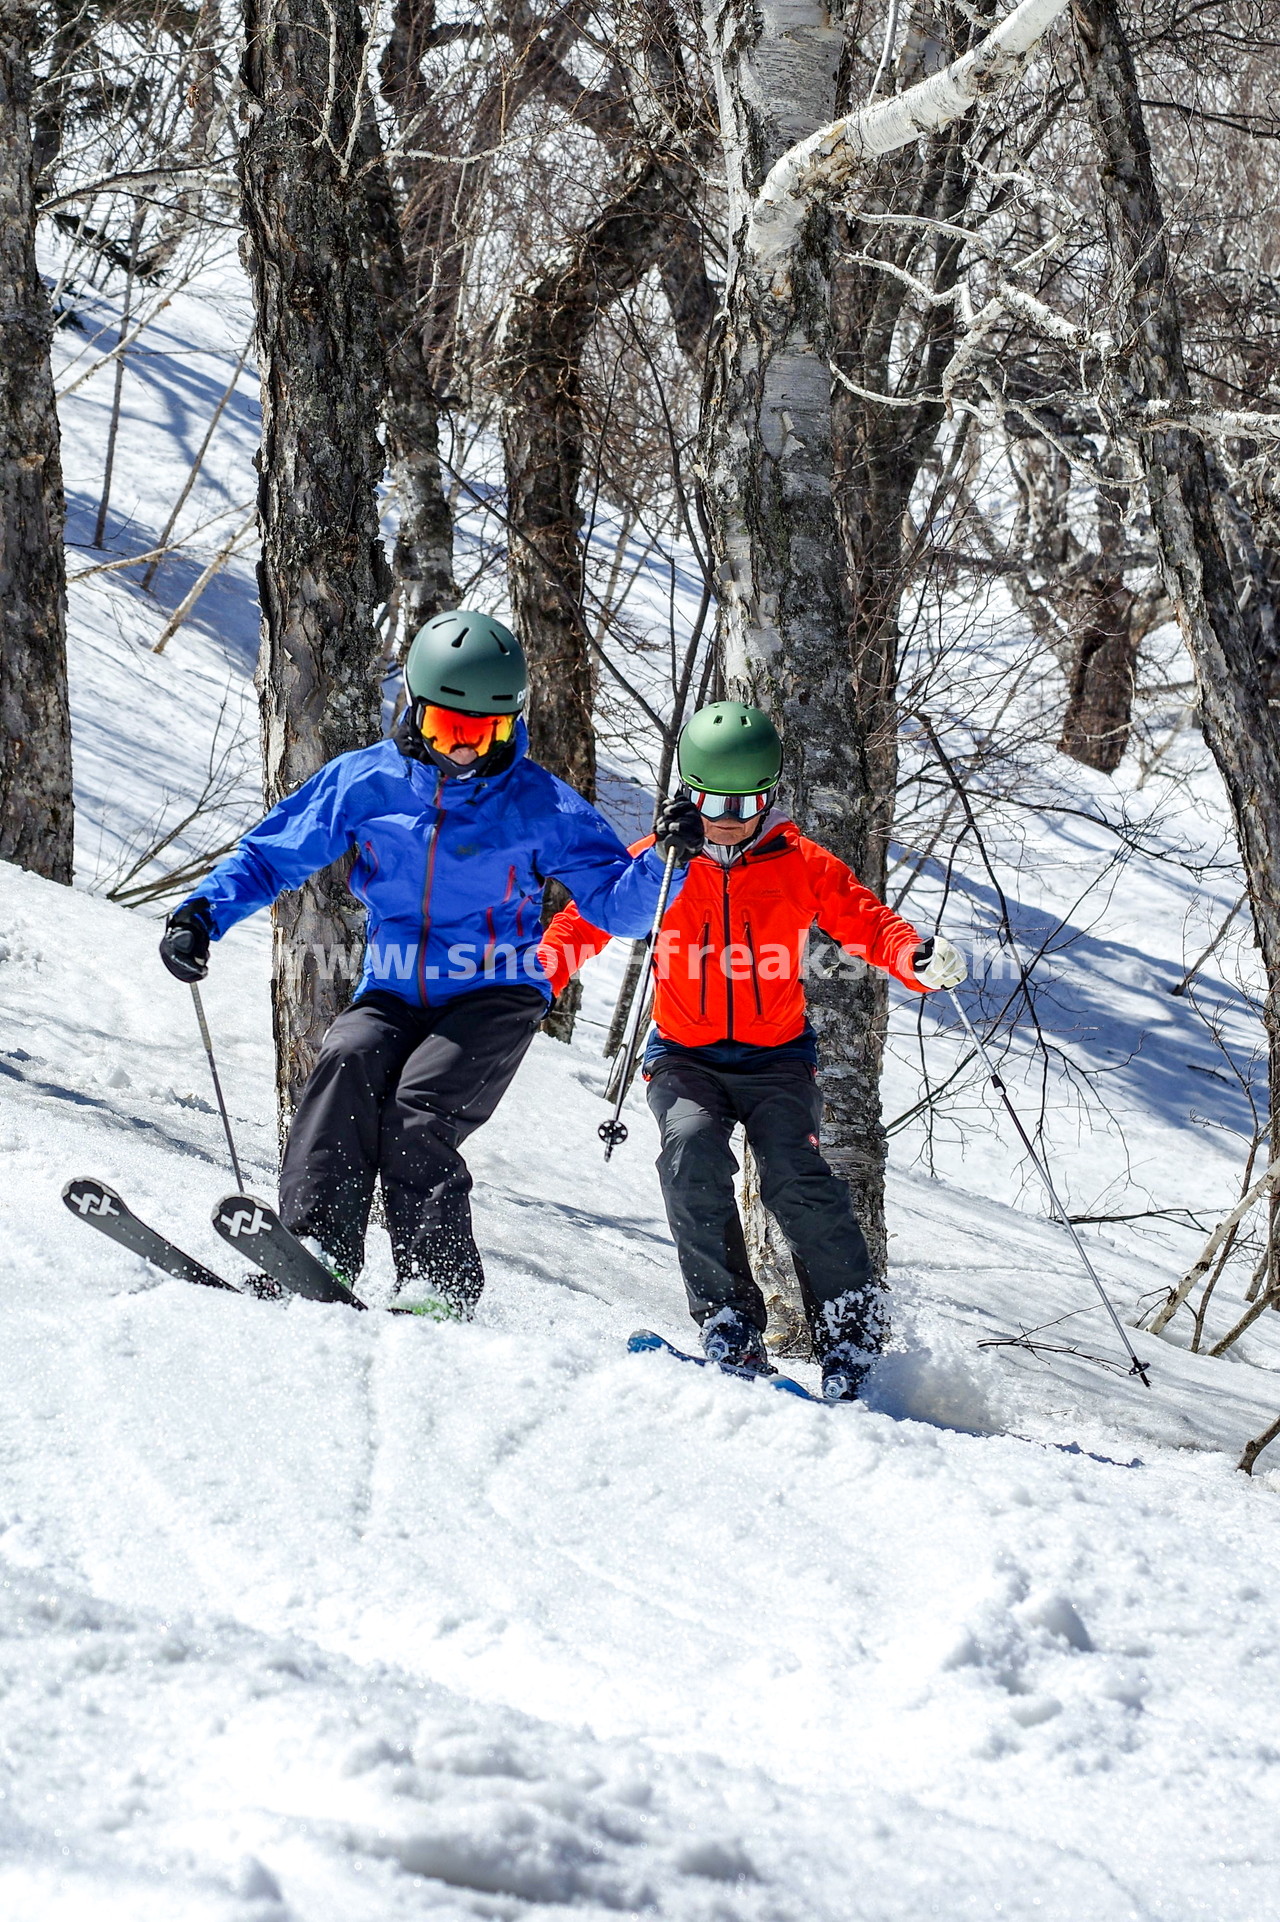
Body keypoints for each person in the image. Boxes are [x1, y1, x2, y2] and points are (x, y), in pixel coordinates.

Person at [159, 610, 670, 1316]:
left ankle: (439, 1280)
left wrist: (669, 860)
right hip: (394, 986)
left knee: (417, 1107)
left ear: (510, 722)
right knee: (344, 1062)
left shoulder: (539, 802)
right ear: (415, 707)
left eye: (484, 733)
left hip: (494, 993)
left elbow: (617, 905)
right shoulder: (366, 781)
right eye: (447, 730)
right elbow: (274, 853)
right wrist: (200, 915)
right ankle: (319, 1248)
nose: (463, 750)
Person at [539, 701, 966, 1400]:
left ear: (769, 795)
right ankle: (730, 1326)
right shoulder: (661, 864)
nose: (727, 815)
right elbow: (585, 918)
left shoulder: (800, 863)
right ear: (687, 791)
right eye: (709, 799)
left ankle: (850, 1339)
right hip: (684, 1055)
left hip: (776, 1059)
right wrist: (536, 977)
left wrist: (914, 957)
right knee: (690, 1152)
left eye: (743, 800)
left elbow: (866, 920)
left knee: (794, 1176)